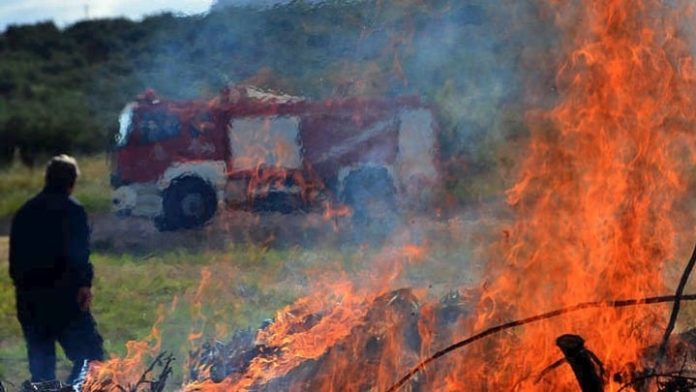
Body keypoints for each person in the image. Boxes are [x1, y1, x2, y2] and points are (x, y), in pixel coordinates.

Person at [9, 155, 104, 384]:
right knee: (91, 357)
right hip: (65, 299)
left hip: (30, 300)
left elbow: (15, 263)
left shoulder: (25, 211)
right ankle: (75, 389)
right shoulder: (73, 211)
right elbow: (79, 254)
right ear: (71, 182)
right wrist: (84, 284)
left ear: (47, 179)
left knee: (42, 370)